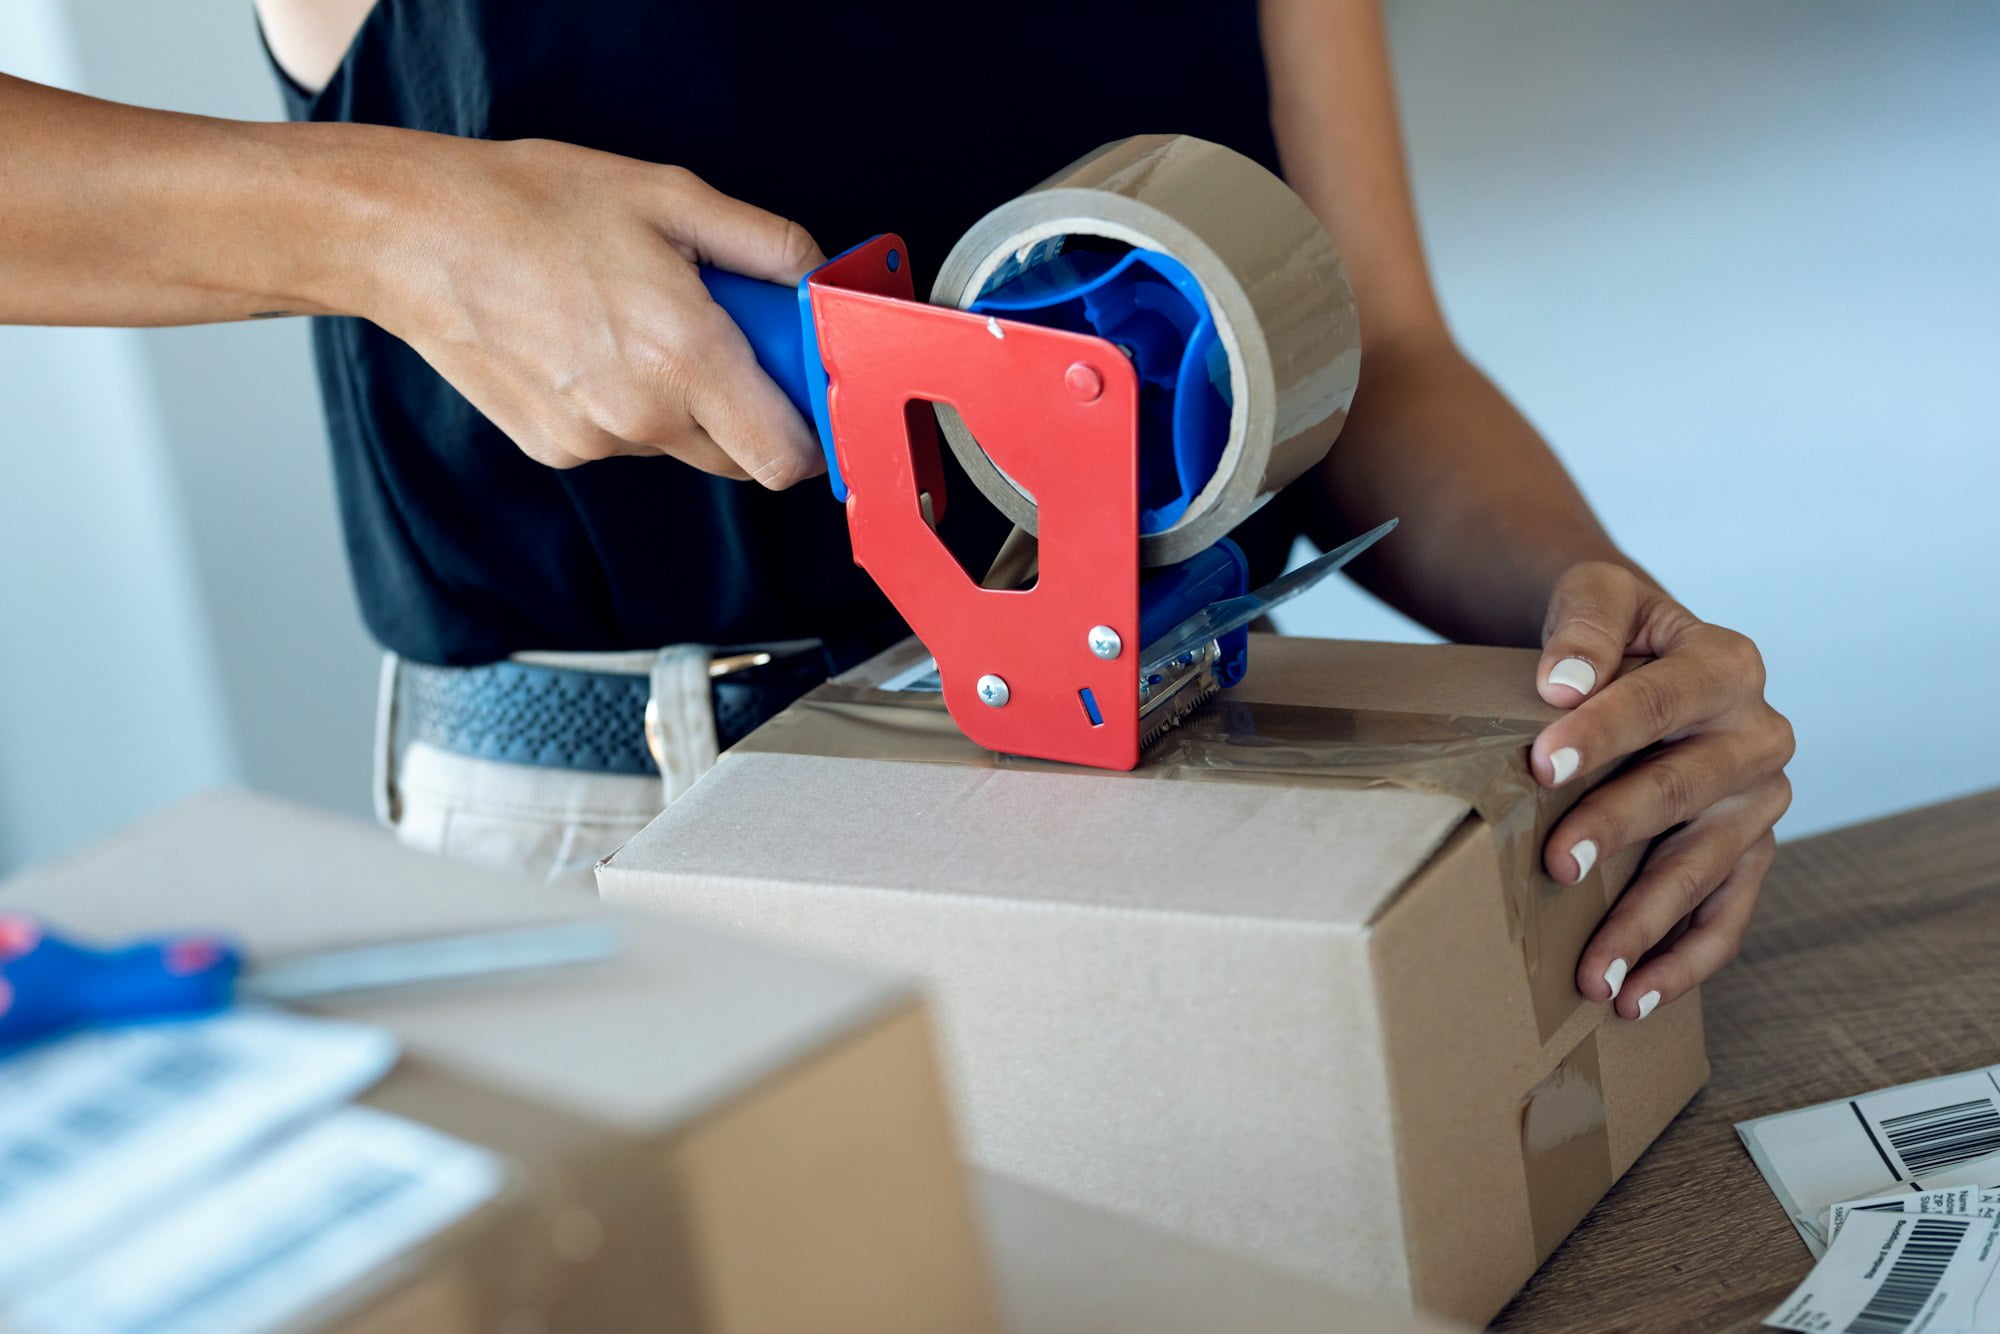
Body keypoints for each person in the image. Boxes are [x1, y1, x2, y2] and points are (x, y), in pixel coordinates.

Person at [0, 0, 1792, 1022]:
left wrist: (1595, 634)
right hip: (647, 835)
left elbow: (1368, 348)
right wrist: (398, 226)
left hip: (1188, 759)